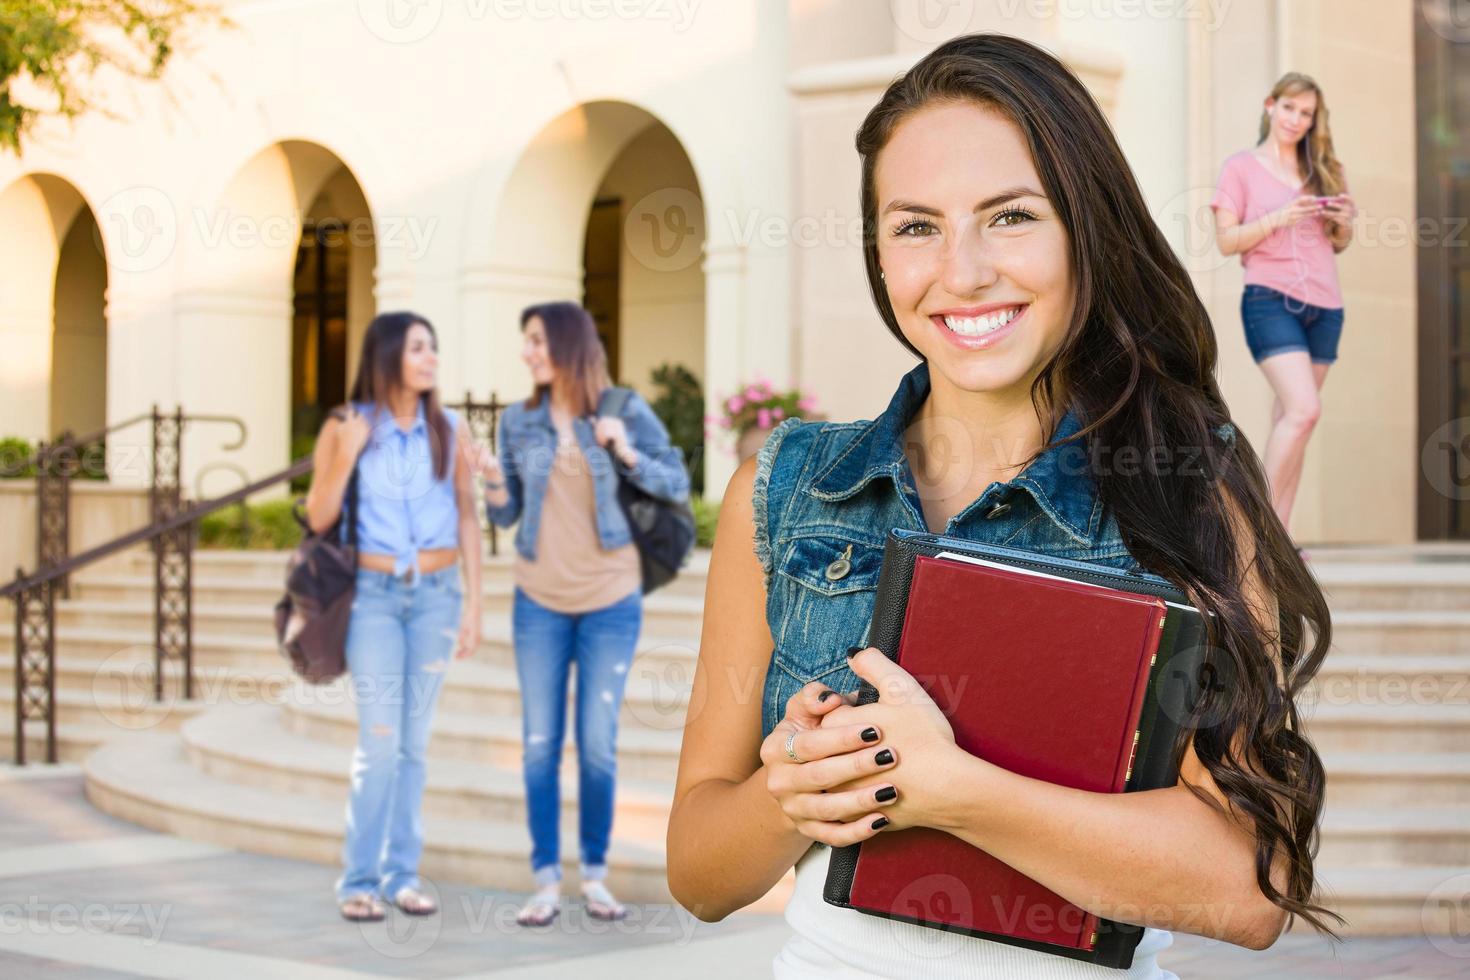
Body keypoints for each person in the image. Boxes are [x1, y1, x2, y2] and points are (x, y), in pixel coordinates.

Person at [667, 34, 1341, 979]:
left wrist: (955, 790)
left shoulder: (1186, 489)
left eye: (1011, 216)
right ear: (878, 253)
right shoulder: (783, 490)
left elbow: (1250, 891)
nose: (965, 270)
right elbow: (699, 877)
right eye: (915, 226)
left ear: (1085, 229)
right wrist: (790, 796)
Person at [473, 301, 691, 927]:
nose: (527, 352)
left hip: (611, 600)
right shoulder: (518, 421)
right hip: (537, 599)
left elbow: (675, 482)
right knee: (540, 744)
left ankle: (593, 875)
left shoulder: (622, 410)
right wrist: (491, 479)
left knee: (597, 744)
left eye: (536, 340)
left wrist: (624, 452)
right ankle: (545, 879)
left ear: (566, 344)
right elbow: (507, 514)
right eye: (525, 342)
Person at [304, 311, 483, 922]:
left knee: (414, 745)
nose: (431, 357)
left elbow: (466, 516)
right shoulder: (346, 425)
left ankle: (402, 874)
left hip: (436, 597)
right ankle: (359, 877)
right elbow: (319, 517)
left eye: (434, 346)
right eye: (417, 348)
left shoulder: (449, 428)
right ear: (386, 357)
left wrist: (475, 604)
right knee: (379, 742)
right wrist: (346, 455)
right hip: (374, 599)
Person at [1211, 72, 1355, 549]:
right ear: (1271, 106)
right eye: (1290, 108)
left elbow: (1338, 243)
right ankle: (1259, 533)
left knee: (1290, 423)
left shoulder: (1323, 169)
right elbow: (1227, 240)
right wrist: (1280, 217)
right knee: (1304, 411)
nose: (1297, 119)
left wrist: (1341, 222)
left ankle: (1282, 541)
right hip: (1271, 301)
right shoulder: (1241, 168)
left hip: (1326, 308)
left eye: (1307, 113)